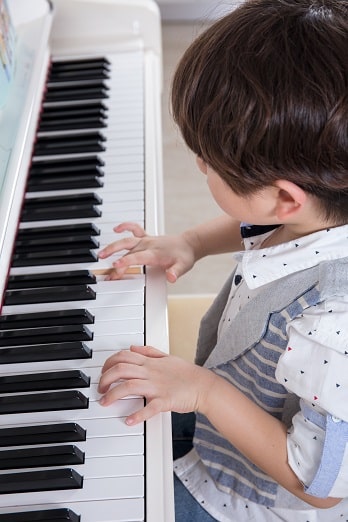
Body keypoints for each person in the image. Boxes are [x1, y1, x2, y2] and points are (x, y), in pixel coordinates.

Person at [98, 0, 348, 520]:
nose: (199, 164)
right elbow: (256, 220)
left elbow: (319, 482)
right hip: (223, 412)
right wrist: (190, 241)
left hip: (244, 497)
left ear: (285, 197)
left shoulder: (333, 324)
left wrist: (204, 392)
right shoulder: (319, 204)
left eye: (208, 163)